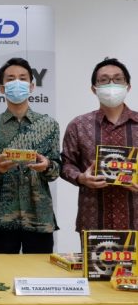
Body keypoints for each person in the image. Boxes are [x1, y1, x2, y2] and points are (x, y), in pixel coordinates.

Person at [0, 58, 60, 254]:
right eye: (10, 78)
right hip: (2, 219)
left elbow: (57, 169)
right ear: (1, 88)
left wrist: (47, 166)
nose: (17, 83)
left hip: (39, 218)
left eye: (22, 78)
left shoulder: (49, 125)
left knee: (40, 272)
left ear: (31, 86)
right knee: (2, 273)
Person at [61, 58, 138, 235]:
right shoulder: (79, 125)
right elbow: (65, 164)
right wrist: (81, 178)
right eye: (104, 80)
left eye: (118, 79)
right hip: (94, 222)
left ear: (128, 86)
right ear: (94, 88)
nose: (111, 84)